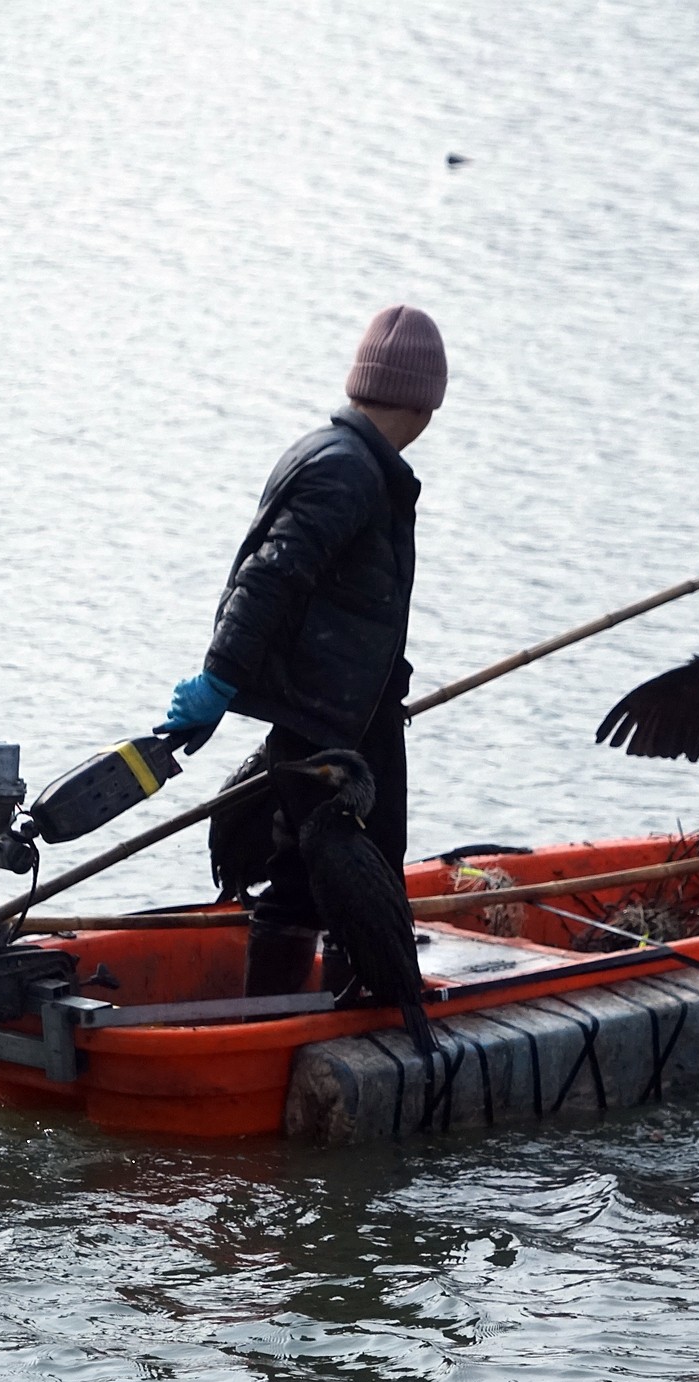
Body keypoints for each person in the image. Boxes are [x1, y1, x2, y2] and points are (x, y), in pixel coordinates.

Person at [158, 305, 444, 997]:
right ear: (425, 401)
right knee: (349, 876)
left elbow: (340, 601)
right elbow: (270, 578)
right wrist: (217, 682)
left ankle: (310, 1013)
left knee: (320, 872)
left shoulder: (340, 456)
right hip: (332, 729)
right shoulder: (346, 471)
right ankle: (333, 1023)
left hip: (349, 713)